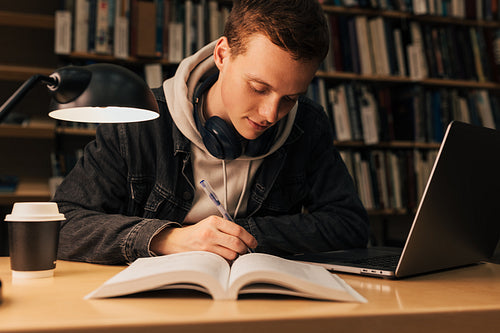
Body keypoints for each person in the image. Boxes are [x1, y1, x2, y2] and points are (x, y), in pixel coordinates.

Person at [53, 0, 369, 265]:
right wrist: (166, 238)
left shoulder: (307, 126)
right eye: (259, 88)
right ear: (222, 55)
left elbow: (349, 225)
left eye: (290, 98)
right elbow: (63, 224)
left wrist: (238, 235)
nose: (271, 114)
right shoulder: (142, 119)